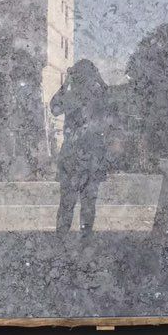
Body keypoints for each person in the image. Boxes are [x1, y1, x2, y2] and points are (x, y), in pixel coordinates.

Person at [51, 59, 108, 235]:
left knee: (71, 203)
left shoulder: (79, 96)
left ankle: (67, 238)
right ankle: (82, 239)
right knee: (83, 203)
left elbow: (55, 107)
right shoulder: (92, 96)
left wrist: (67, 83)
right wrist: (99, 79)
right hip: (86, 156)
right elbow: (54, 108)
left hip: (78, 156)